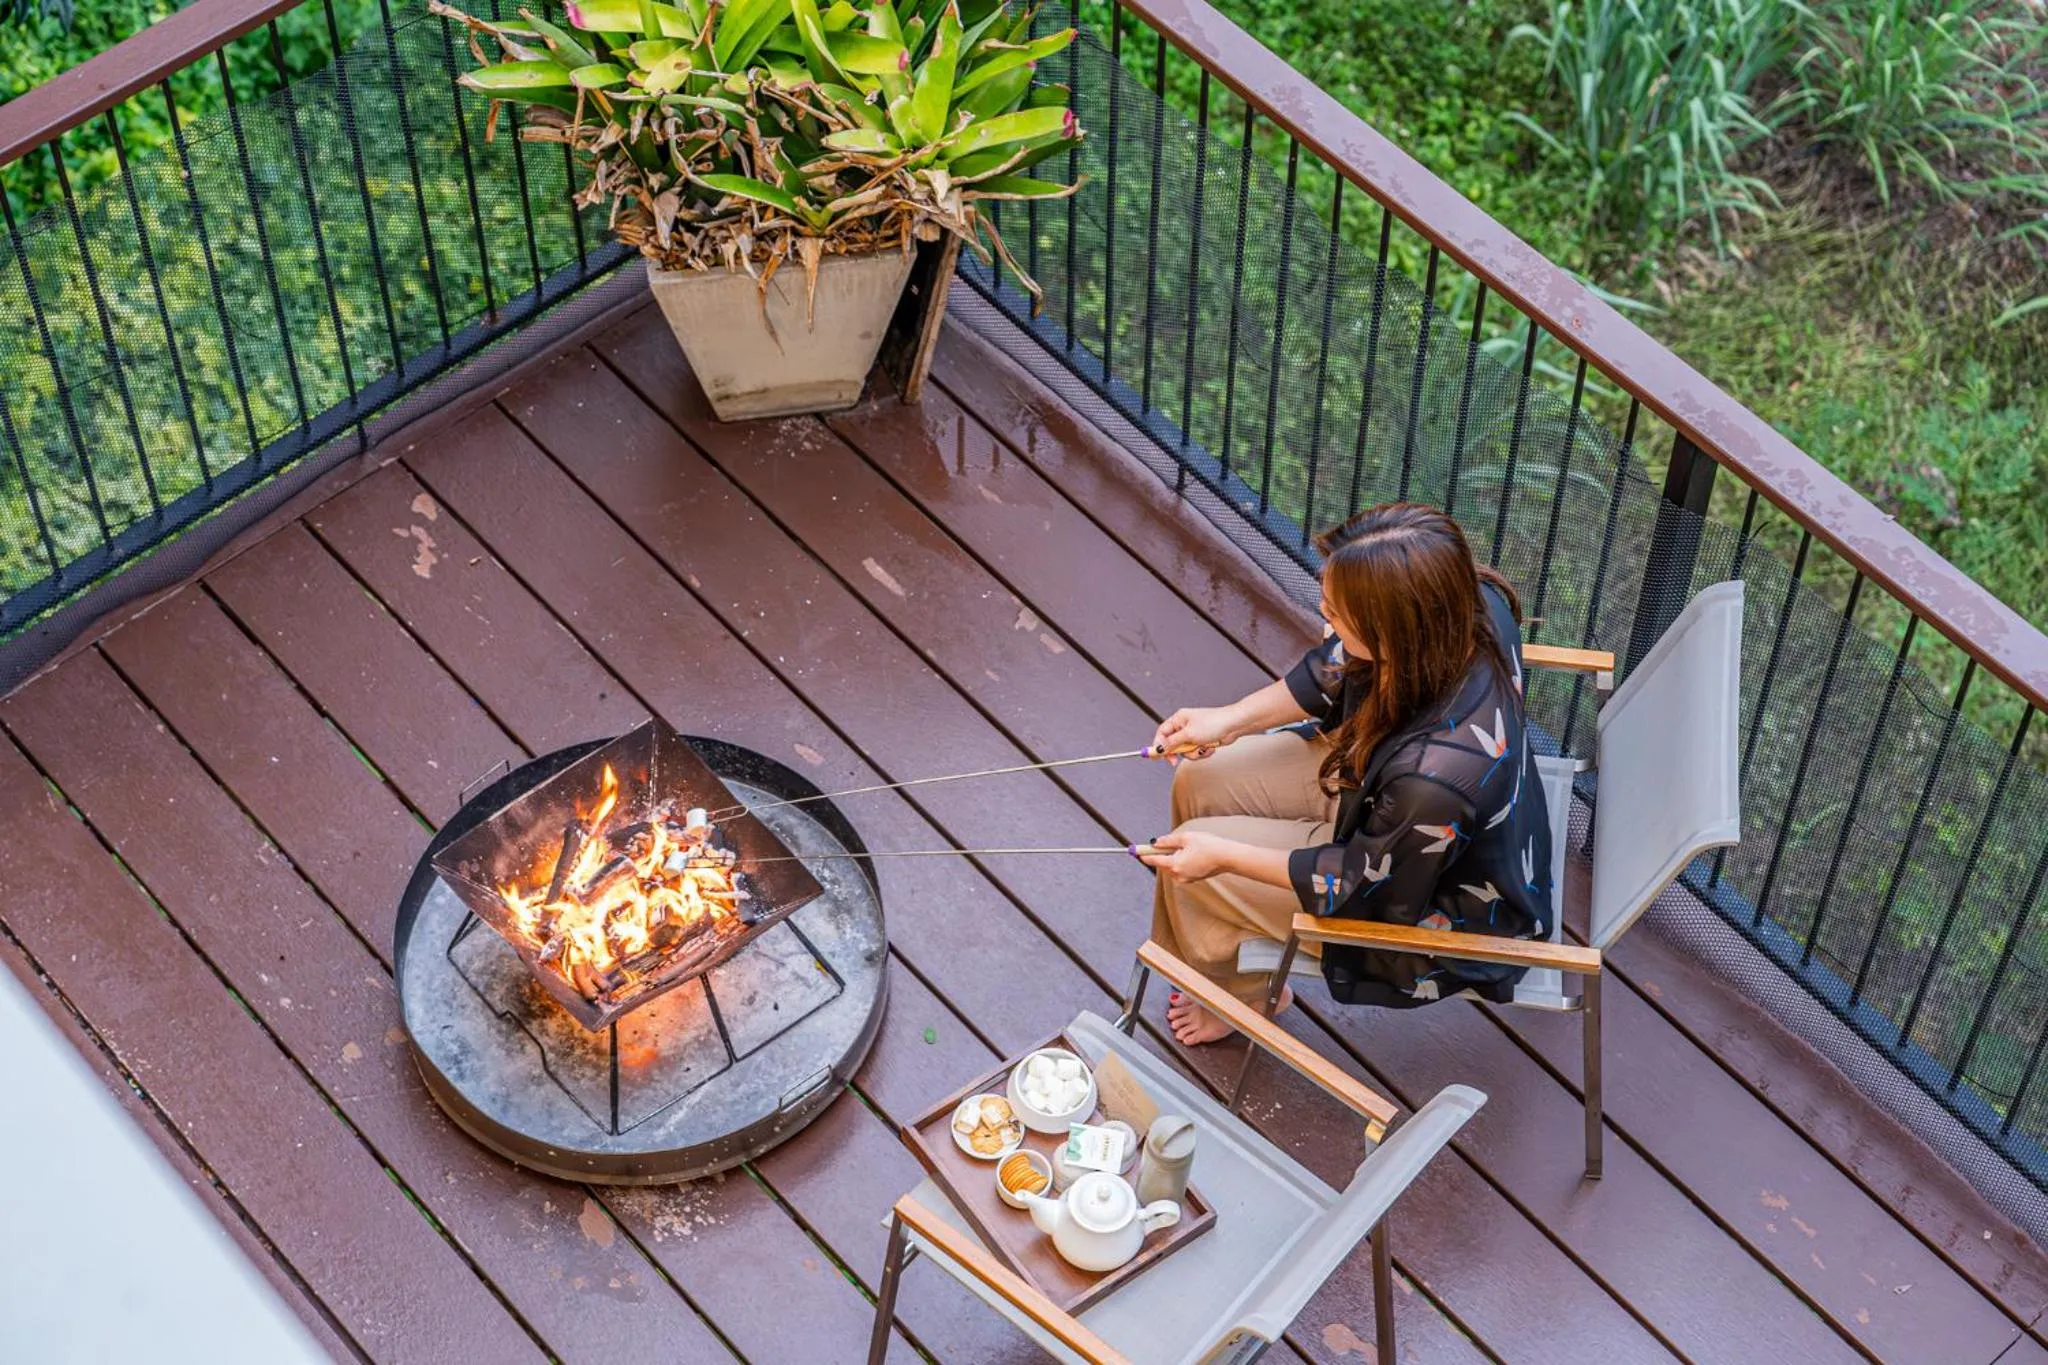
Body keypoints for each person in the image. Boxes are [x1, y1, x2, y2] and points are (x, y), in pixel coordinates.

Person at [1138, 503, 1554, 1046]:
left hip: (1427, 902)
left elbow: (1361, 885)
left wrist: (1220, 856)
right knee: (1201, 777)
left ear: (1394, 633)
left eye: (1336, 615)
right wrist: (1227, 722)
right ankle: (1233, 964)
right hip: (1383, 787)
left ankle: (1245, 999)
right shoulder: (1465, 601)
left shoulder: (1437, 779)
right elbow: (1335, 667)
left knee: (1195, 861)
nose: (1323, 618)